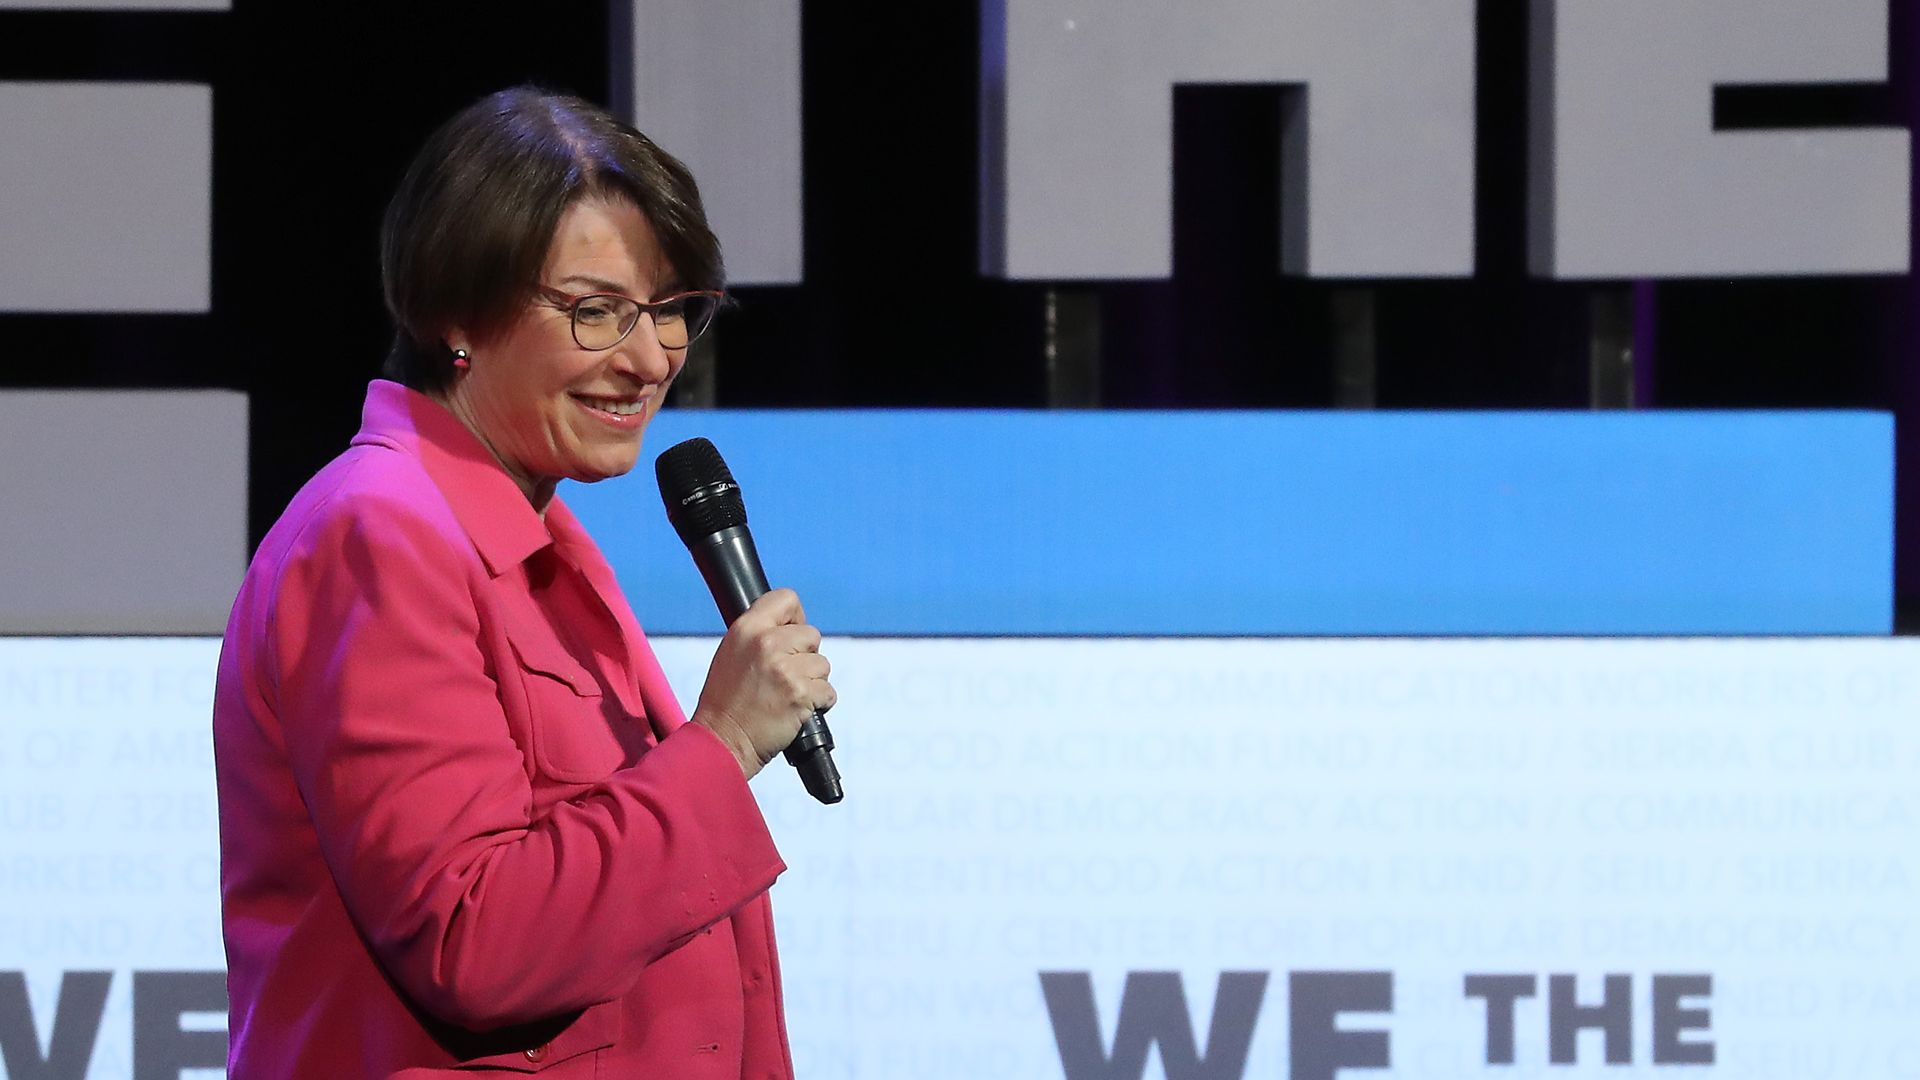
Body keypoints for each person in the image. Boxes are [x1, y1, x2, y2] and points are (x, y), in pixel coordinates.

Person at [212, 86, 833, 1077]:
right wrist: (719, 746)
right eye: (596, 313)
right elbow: (477, 942)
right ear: (456, 309)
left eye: (673, 314)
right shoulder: (381, 532)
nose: (647, 362)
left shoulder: (534, 534)